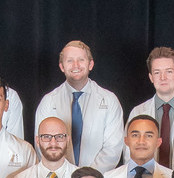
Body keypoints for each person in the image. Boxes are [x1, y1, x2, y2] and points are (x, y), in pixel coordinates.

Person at [33, 40, 125, 170]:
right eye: (69, 61)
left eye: (81, 60)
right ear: (62, 66)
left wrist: (88, 177)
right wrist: (63, 173)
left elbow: (113, 148)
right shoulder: (48, 101)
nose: (75, 65)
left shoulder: (109, 100)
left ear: (90, 64)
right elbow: (42, 145)